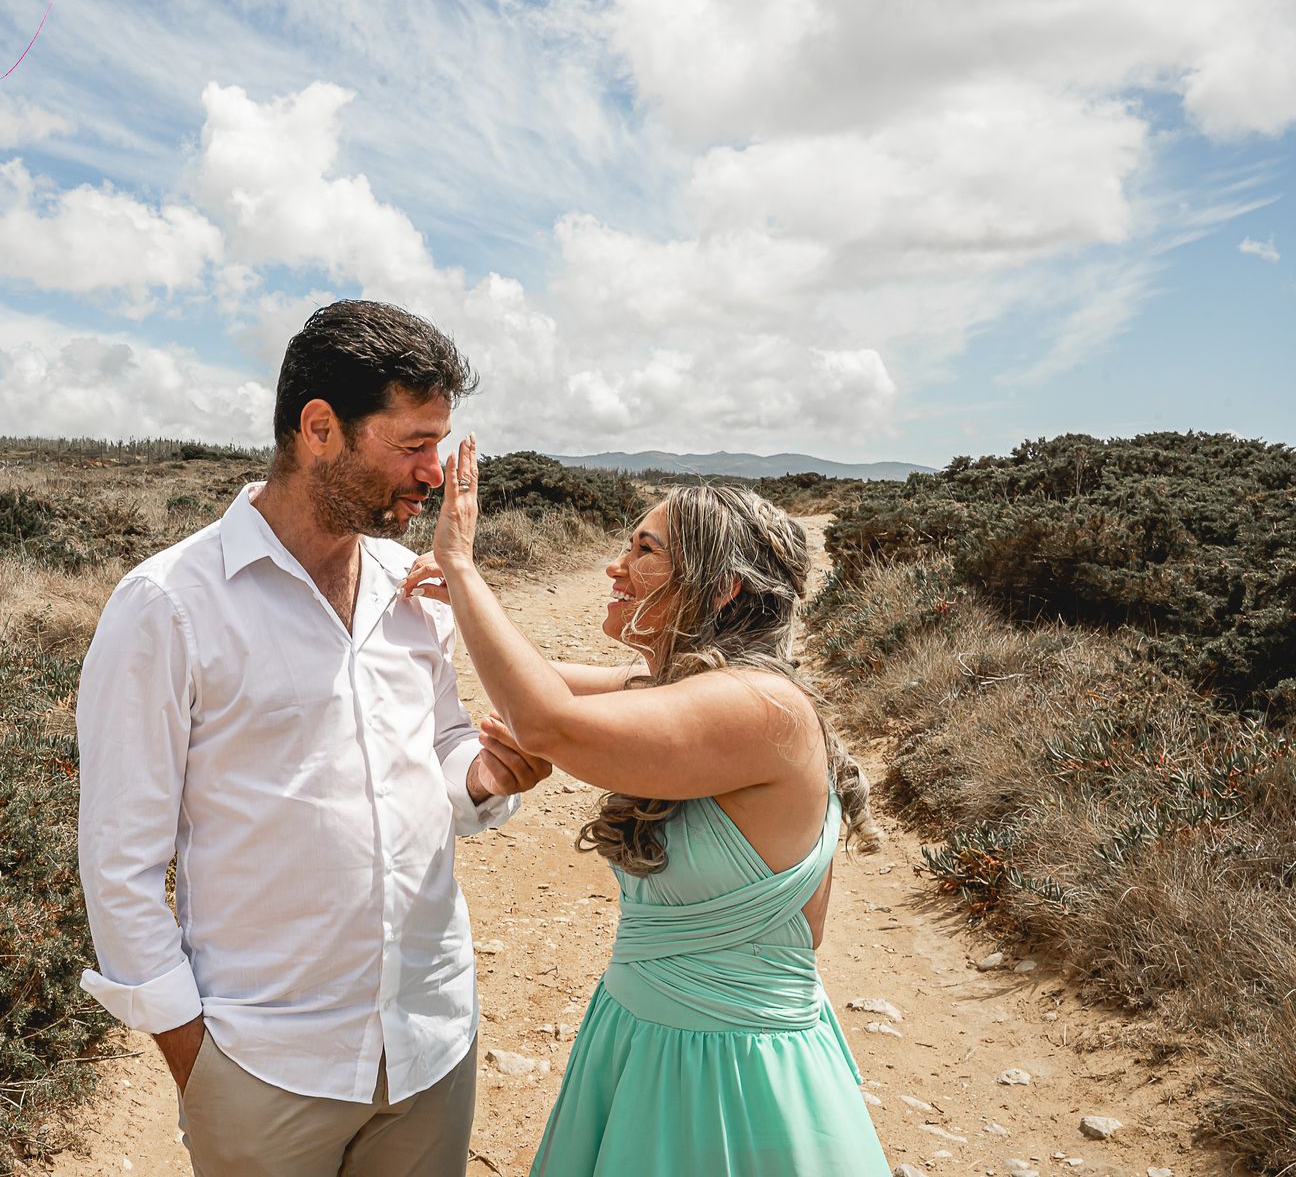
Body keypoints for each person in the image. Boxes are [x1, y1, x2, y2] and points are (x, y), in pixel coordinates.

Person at [76, 301, 551, 1177]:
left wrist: (482, 777)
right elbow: (119, 863)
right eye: (412, 443)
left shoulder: (417, 590)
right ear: (321, 429)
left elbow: (439, 750)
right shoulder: (169, 604)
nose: (434, 473)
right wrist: (198, 1064)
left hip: (431, 1041)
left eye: (440, 443)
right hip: (262, 1064)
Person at [402, 441, 890, 1175]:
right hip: (647, 1040)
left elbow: (546, 722)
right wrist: (454, 603)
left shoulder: (760, 707)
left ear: (720, 588)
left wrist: (465, 566)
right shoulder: (680, 685)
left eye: (645, 549)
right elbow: (532, 680)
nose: (615, 566)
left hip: (732, 1072)